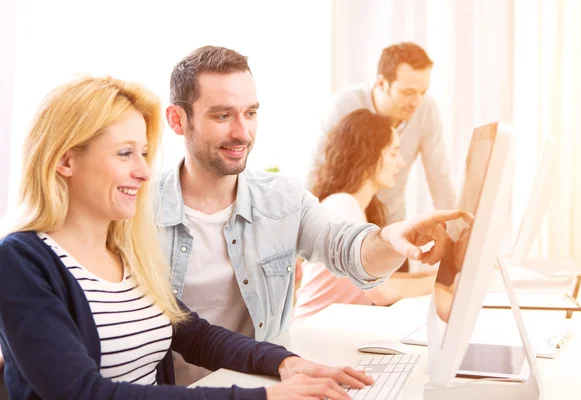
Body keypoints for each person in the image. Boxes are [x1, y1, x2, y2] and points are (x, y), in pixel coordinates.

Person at [0, 75, 377, 400]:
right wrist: (263, 396)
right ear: (65, 161)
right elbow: (84, 393)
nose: (144, 172)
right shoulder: (21, 262)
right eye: (125, 153)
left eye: (145, 153)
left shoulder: (124, 252)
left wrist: (287, 363)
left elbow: (195, 335)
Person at [157, 45, 464, 385]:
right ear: (177, 120)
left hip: (266, 384)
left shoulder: (283, 200)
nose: (242, 133)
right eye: (222, 116)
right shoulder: (139, 214)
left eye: (251, 113)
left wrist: (393, 239)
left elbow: (347, 248)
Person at [293, 109, 438, 323]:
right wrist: (440, 282)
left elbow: (377, 279)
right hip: (312, 334)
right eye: (393, 153)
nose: (401, 162)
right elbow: (381, 292)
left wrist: (434, 276)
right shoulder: (342, 205)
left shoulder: (354, 207)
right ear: (369, 154)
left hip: (330, 330)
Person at [320, 42, 456, 225]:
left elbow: (440, 178)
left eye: (423, 92)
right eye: (408, 92)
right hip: (343, 224)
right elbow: (316, 170)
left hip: (389, 222)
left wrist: (456, 233)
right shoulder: (343, 106)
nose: (417, 102)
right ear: (382, 83)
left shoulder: (427, 110)